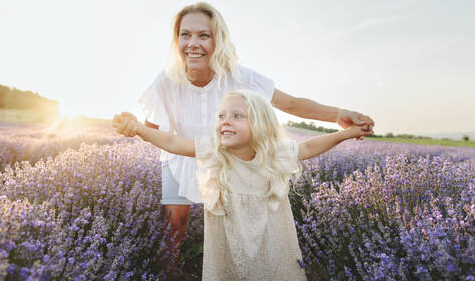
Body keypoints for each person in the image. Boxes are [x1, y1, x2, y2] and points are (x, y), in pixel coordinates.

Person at [119, 2, 374, 269]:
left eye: (203, 35)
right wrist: (132, 126)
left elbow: (291, 104)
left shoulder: (240, 76)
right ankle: (166, 273)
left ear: (218, 40)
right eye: (185, 35)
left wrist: (339, 115)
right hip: (181, 155)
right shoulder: (165, 81)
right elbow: (153, 129)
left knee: (236, 224)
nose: (193, 43)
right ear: (177, 39)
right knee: (174, 224)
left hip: (231, 159)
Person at [113, 89, 374, 280]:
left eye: (237, 116)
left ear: (259, 125)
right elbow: (174, 144)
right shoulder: (215, 151)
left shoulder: (273, 154)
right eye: (221, 115)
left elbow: (308, 147)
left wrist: (347, 133)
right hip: (228, 247)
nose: (225, 120)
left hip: (271, 244)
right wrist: (138, 128)